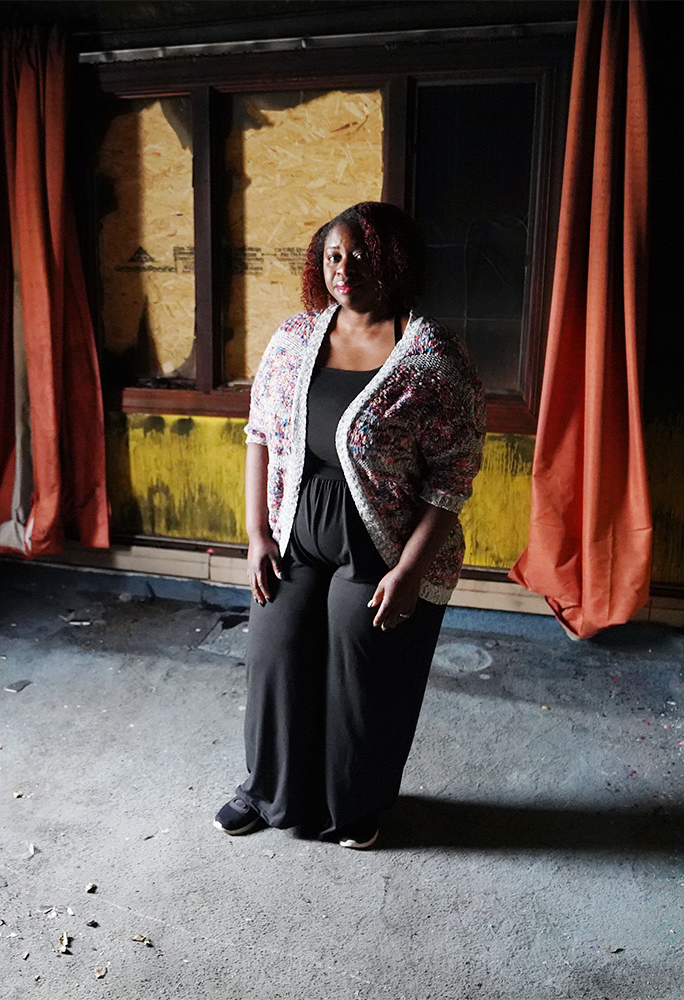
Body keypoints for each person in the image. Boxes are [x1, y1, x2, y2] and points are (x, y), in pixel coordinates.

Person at [214, 201, 485, 849]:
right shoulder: (294, 338)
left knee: (361, 678)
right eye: (334, 255)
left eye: (360, 254)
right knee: (276, 657)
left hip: (381, 549)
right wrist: (256, 535)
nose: (344, 268)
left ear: (394, 261)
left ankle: (353, 806)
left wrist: (410, 572)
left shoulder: (432, 356)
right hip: (293, 537)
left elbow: (451, 480)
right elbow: (259, 435)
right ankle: (268, 792)